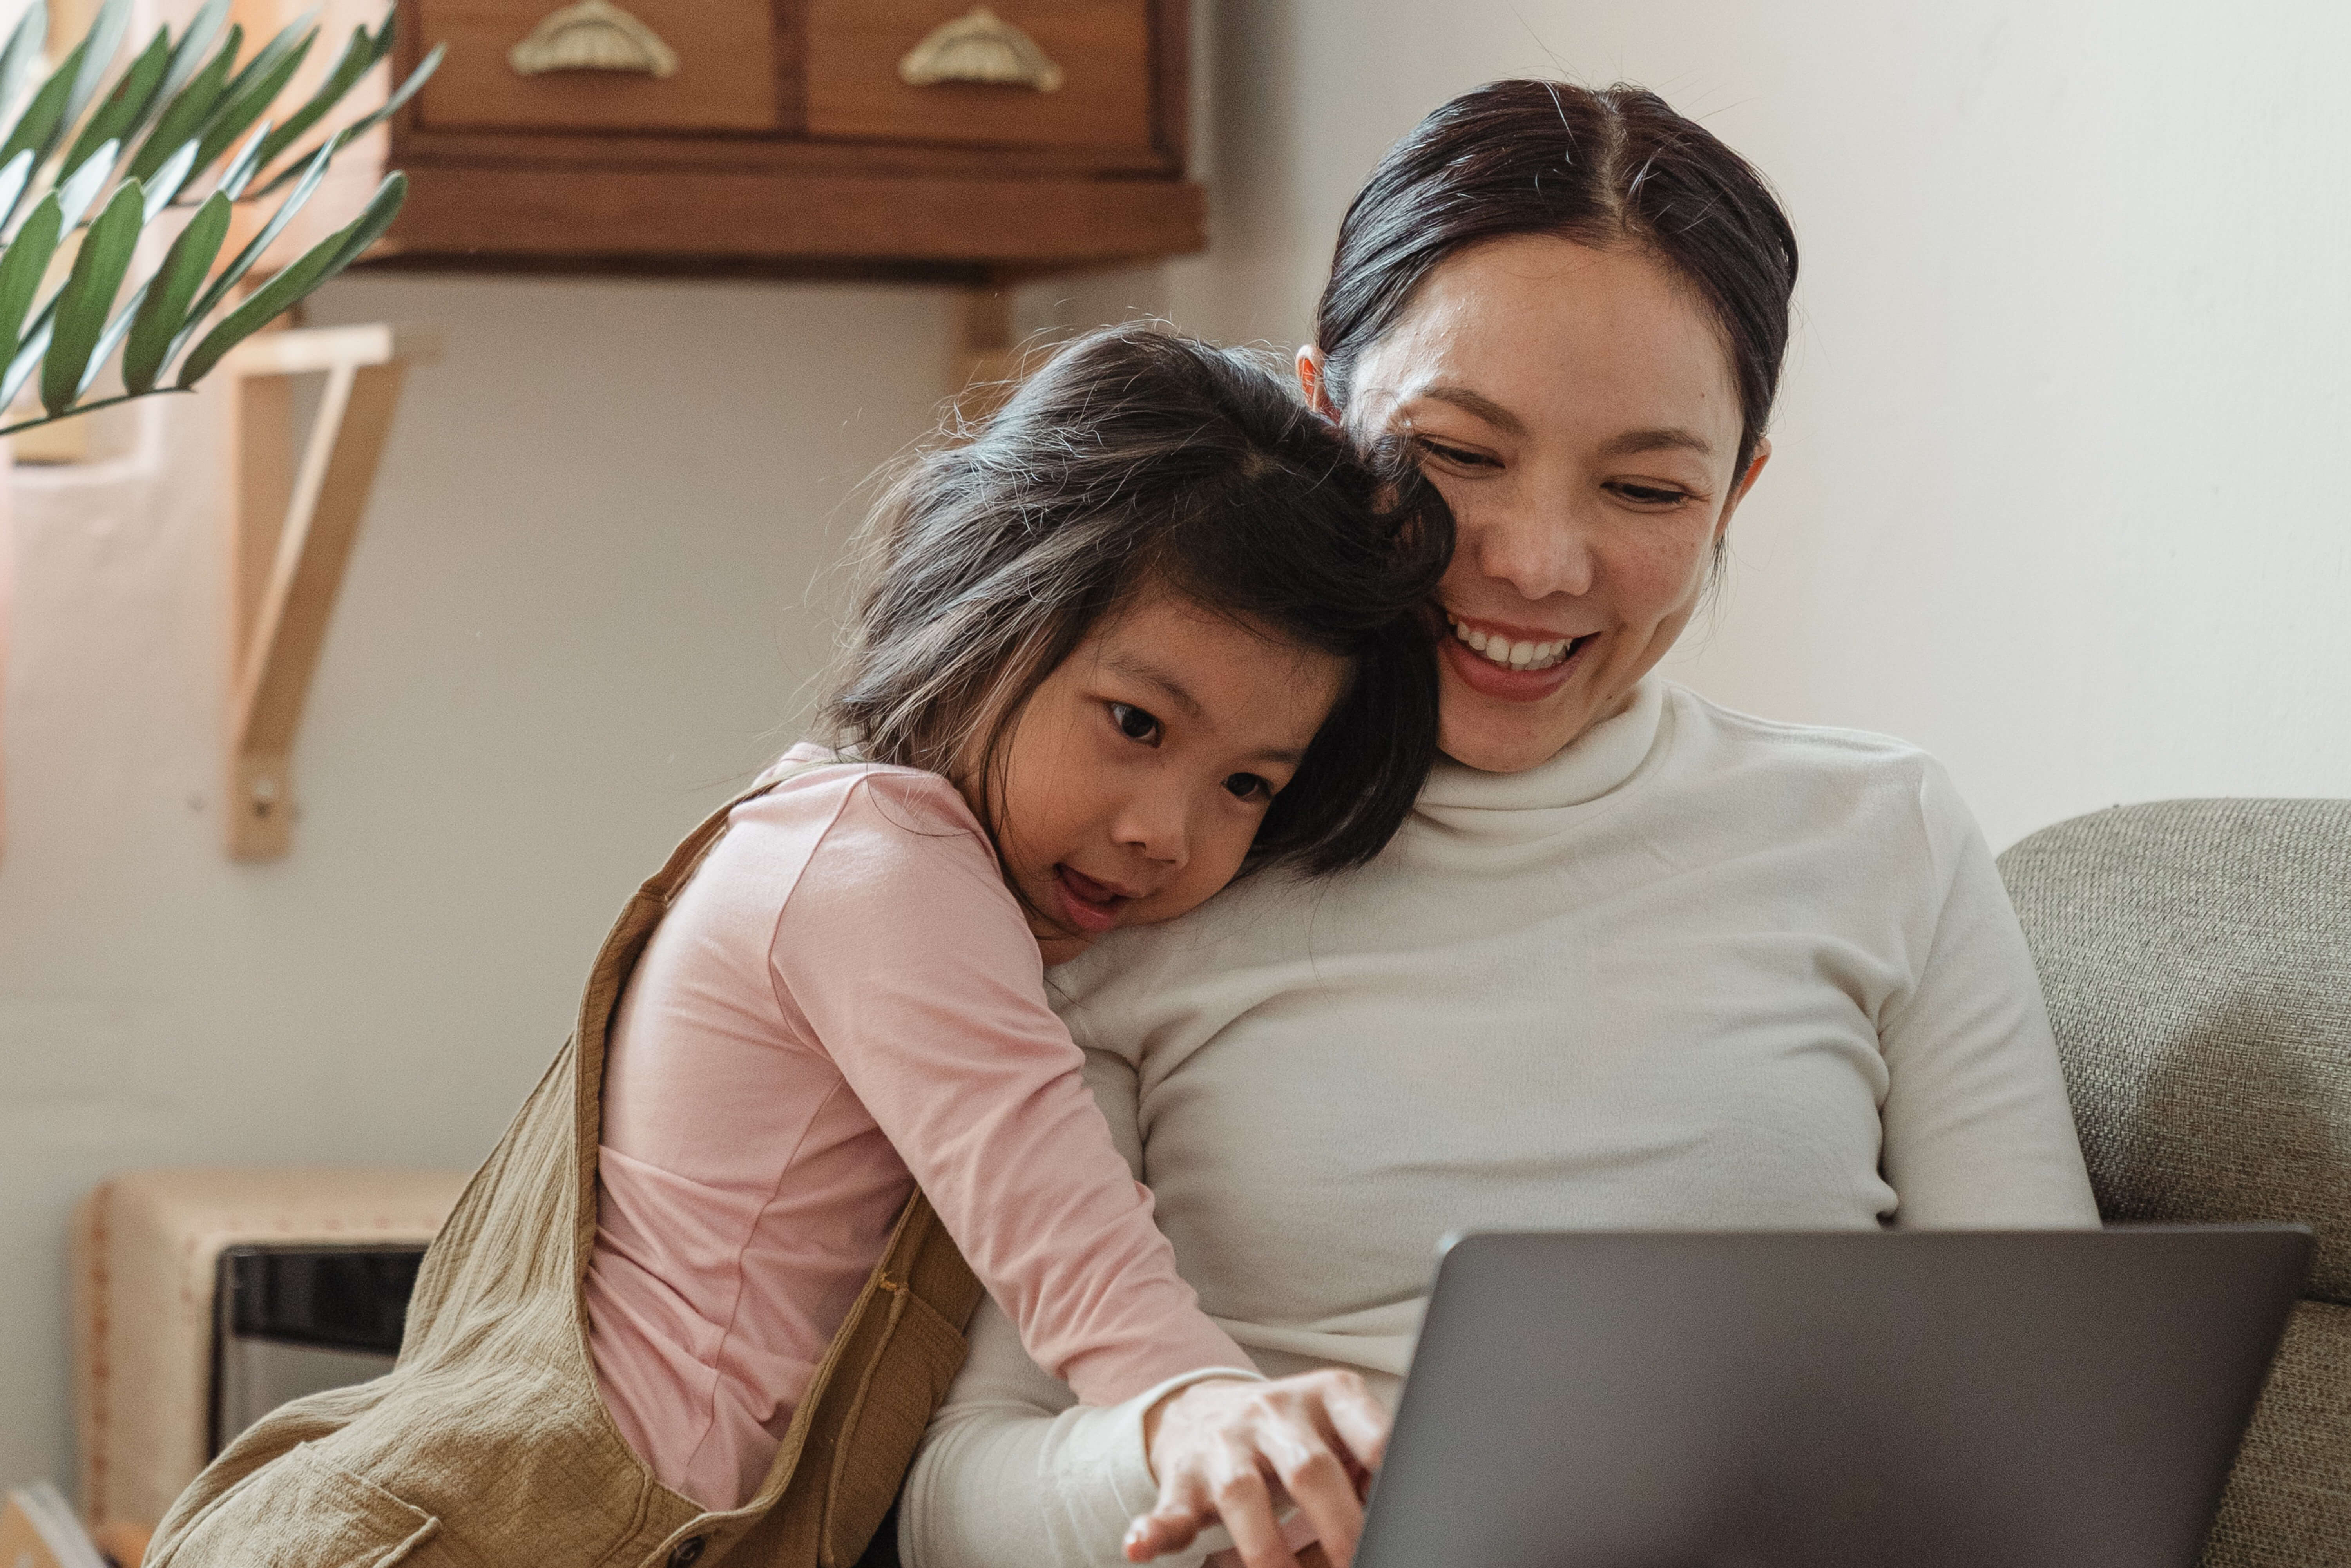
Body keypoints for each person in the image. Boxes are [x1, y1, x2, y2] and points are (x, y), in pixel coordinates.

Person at [897, 81, 2100, 1568]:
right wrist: (1194, 1452)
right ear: (1322, 417)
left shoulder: (1884, 833)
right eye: (1459, 456)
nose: (1537, 562)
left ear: (1736, 495)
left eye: (1649, 485)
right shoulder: (1152, 853)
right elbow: (954, 1497)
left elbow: (2071, 1437)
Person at [143, 327, 1450, 1567]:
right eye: (1135, 722)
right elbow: (1068, 1232)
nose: (1166, 831)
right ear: (988, 605)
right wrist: (1208, 1406)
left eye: (1248, 788)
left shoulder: (840, 842)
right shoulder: (883, 877)